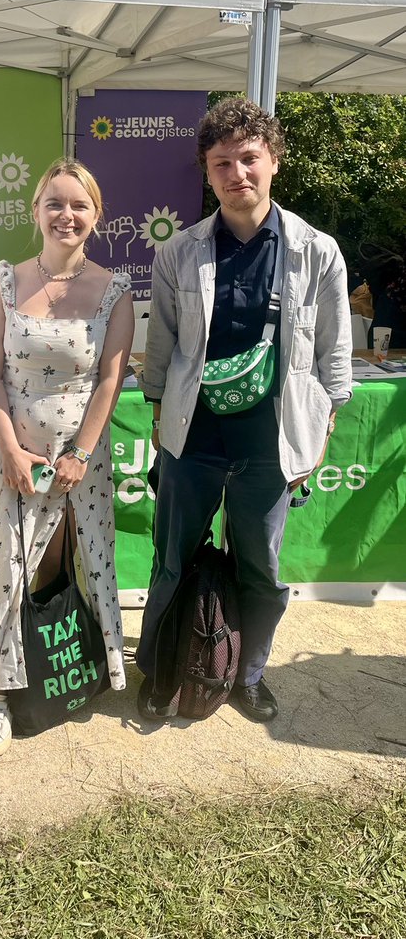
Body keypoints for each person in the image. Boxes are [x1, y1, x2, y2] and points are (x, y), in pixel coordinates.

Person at [137, 97, 353, 723]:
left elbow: (335, 352)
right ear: (207, 173)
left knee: (261, 567)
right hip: (193, 437)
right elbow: (164, 345)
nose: (238, 174)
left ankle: (249, 674)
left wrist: (323, 426)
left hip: (272, 441)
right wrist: (158, 412)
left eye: (249, 159)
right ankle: (161, 670)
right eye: (222, 162)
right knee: (172, 559)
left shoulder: (317, 251)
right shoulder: (179, 251)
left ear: (274, 162)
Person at [0, 159, 134, 758]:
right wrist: (9, 449)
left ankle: (80, 666)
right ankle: (0, 697)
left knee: (67, 566)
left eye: (79, 205)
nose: (67, 215)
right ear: (36, 212)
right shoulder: (3, 281)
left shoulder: (114, 291)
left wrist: (80, 452)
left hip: (81, 459)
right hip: (8, 454)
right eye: (55, 203)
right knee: (10, 570)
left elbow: (110, 379)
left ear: (96, 215)